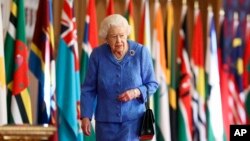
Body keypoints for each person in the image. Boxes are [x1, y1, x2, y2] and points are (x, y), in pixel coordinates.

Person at [80, 14, 158, 141]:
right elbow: (89, 89)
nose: (119, 41)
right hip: (105, 123)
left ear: (127, 34)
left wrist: (136, 92)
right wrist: (86, 116)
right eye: (114, 37)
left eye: (122, 36)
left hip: (133, 123)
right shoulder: (97, 55)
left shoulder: (140, 52)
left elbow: (152, 84)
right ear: (106, 38)